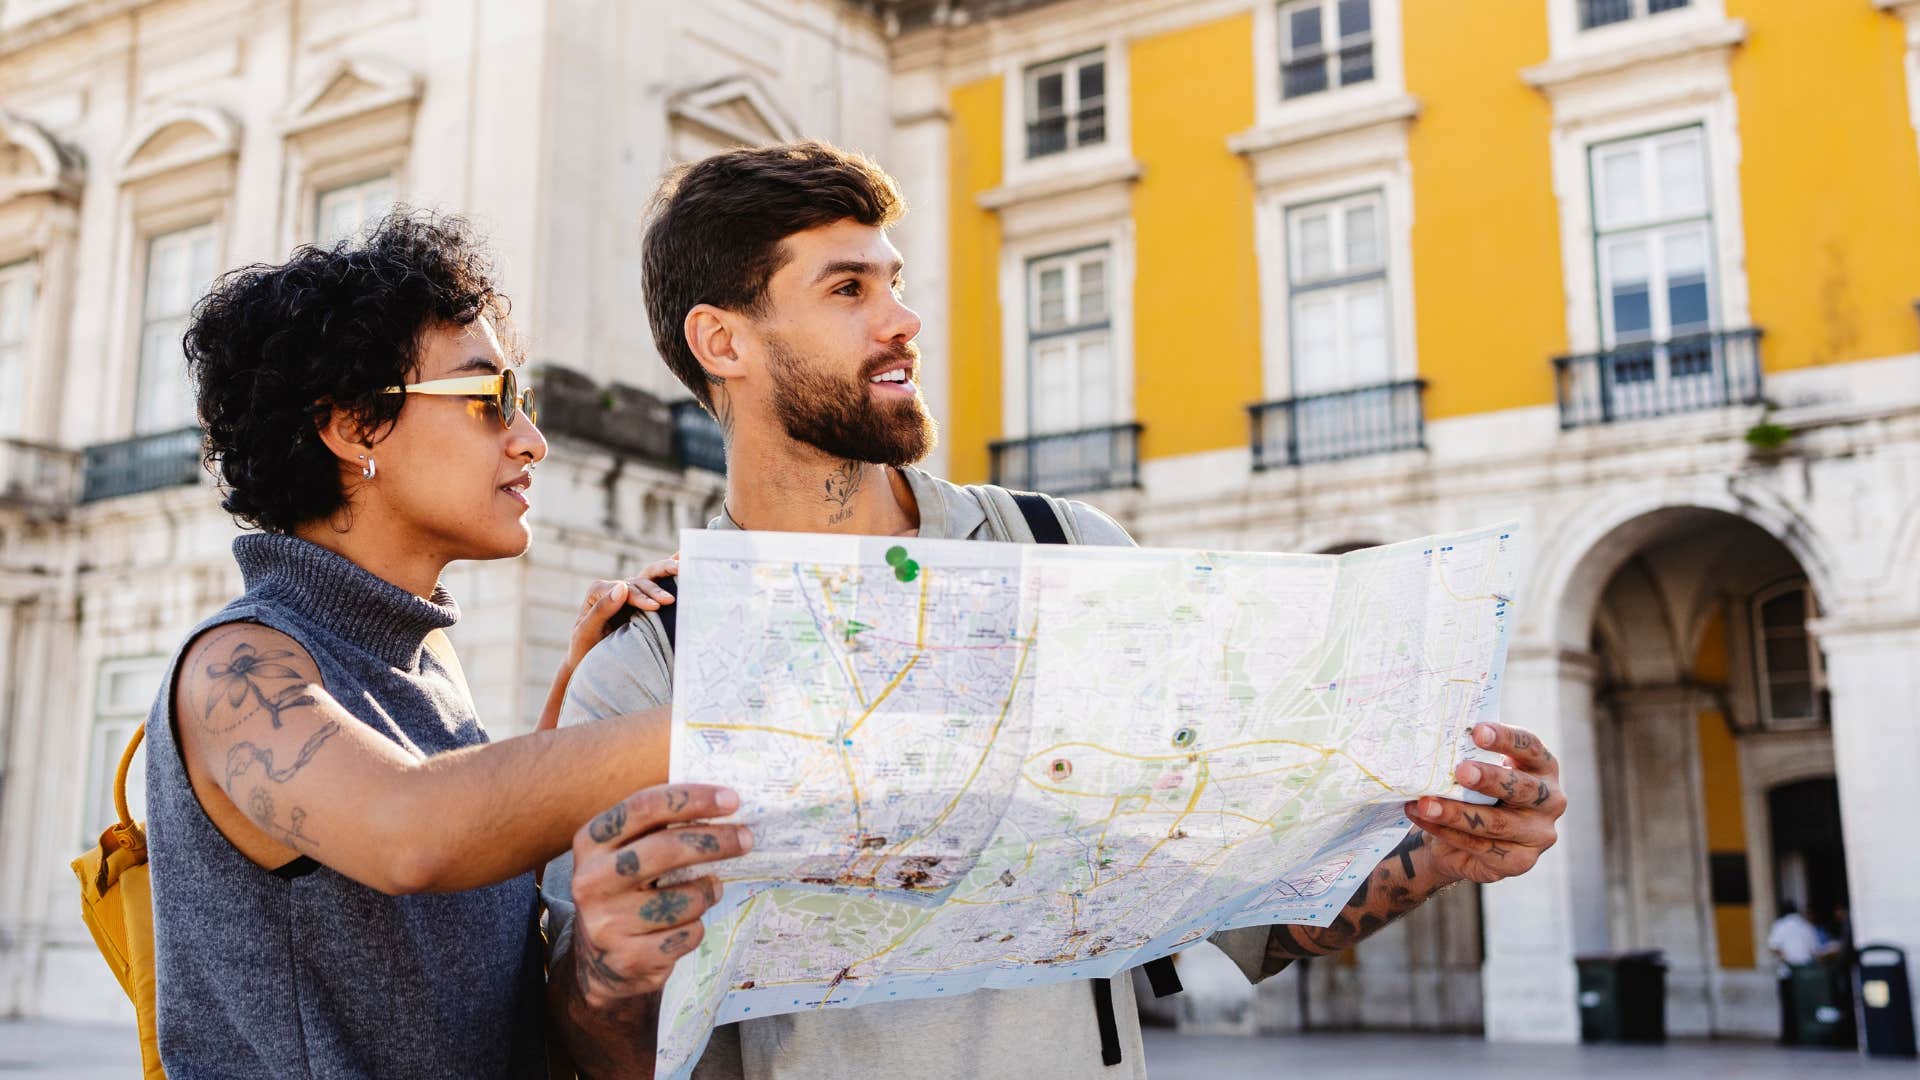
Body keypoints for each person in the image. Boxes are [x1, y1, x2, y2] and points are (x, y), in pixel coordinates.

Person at [542, 141, 1570, 1078]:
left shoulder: (1076, 560)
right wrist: (607, 970)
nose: (902, 321)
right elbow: (593, 1048)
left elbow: (1249, 919)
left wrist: (1436, 853)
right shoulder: (645, 667)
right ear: (723, 341)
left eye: (894, 283)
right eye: (848, 288)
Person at [149, 210, 741, 1078]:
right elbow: (410, 833)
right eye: (486, 399)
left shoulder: (419, 658)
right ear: (354, 426)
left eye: (523, 403)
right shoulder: (238, 665)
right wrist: (764, 711)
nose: (530, 439)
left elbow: (482, 872)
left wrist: (583, 678)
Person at [1769, 899, 1821, 1043]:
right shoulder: (1806, 926)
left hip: (1788, 973)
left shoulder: (1780, 926)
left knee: (1789, 1007)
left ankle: (1789, 1037)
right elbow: (1815, 950)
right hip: (1806, 974)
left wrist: (1788, 959)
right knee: (1805, 1006)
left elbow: (1775, 947)